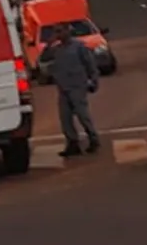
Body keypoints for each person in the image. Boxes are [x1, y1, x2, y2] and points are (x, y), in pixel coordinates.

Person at [42, 25, 102, 156]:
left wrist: (94, 81)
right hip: (63, 87)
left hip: (77, 85)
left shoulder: (78, 46)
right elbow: (43, 58)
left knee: (82, 114)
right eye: (56, 32)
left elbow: (90, 64)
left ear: (67, 31)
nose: (58, 34)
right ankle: (72, 143)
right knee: (65, 117)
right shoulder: (56, 49)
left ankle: (93, 138)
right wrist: (49, 44)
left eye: (60, 31)